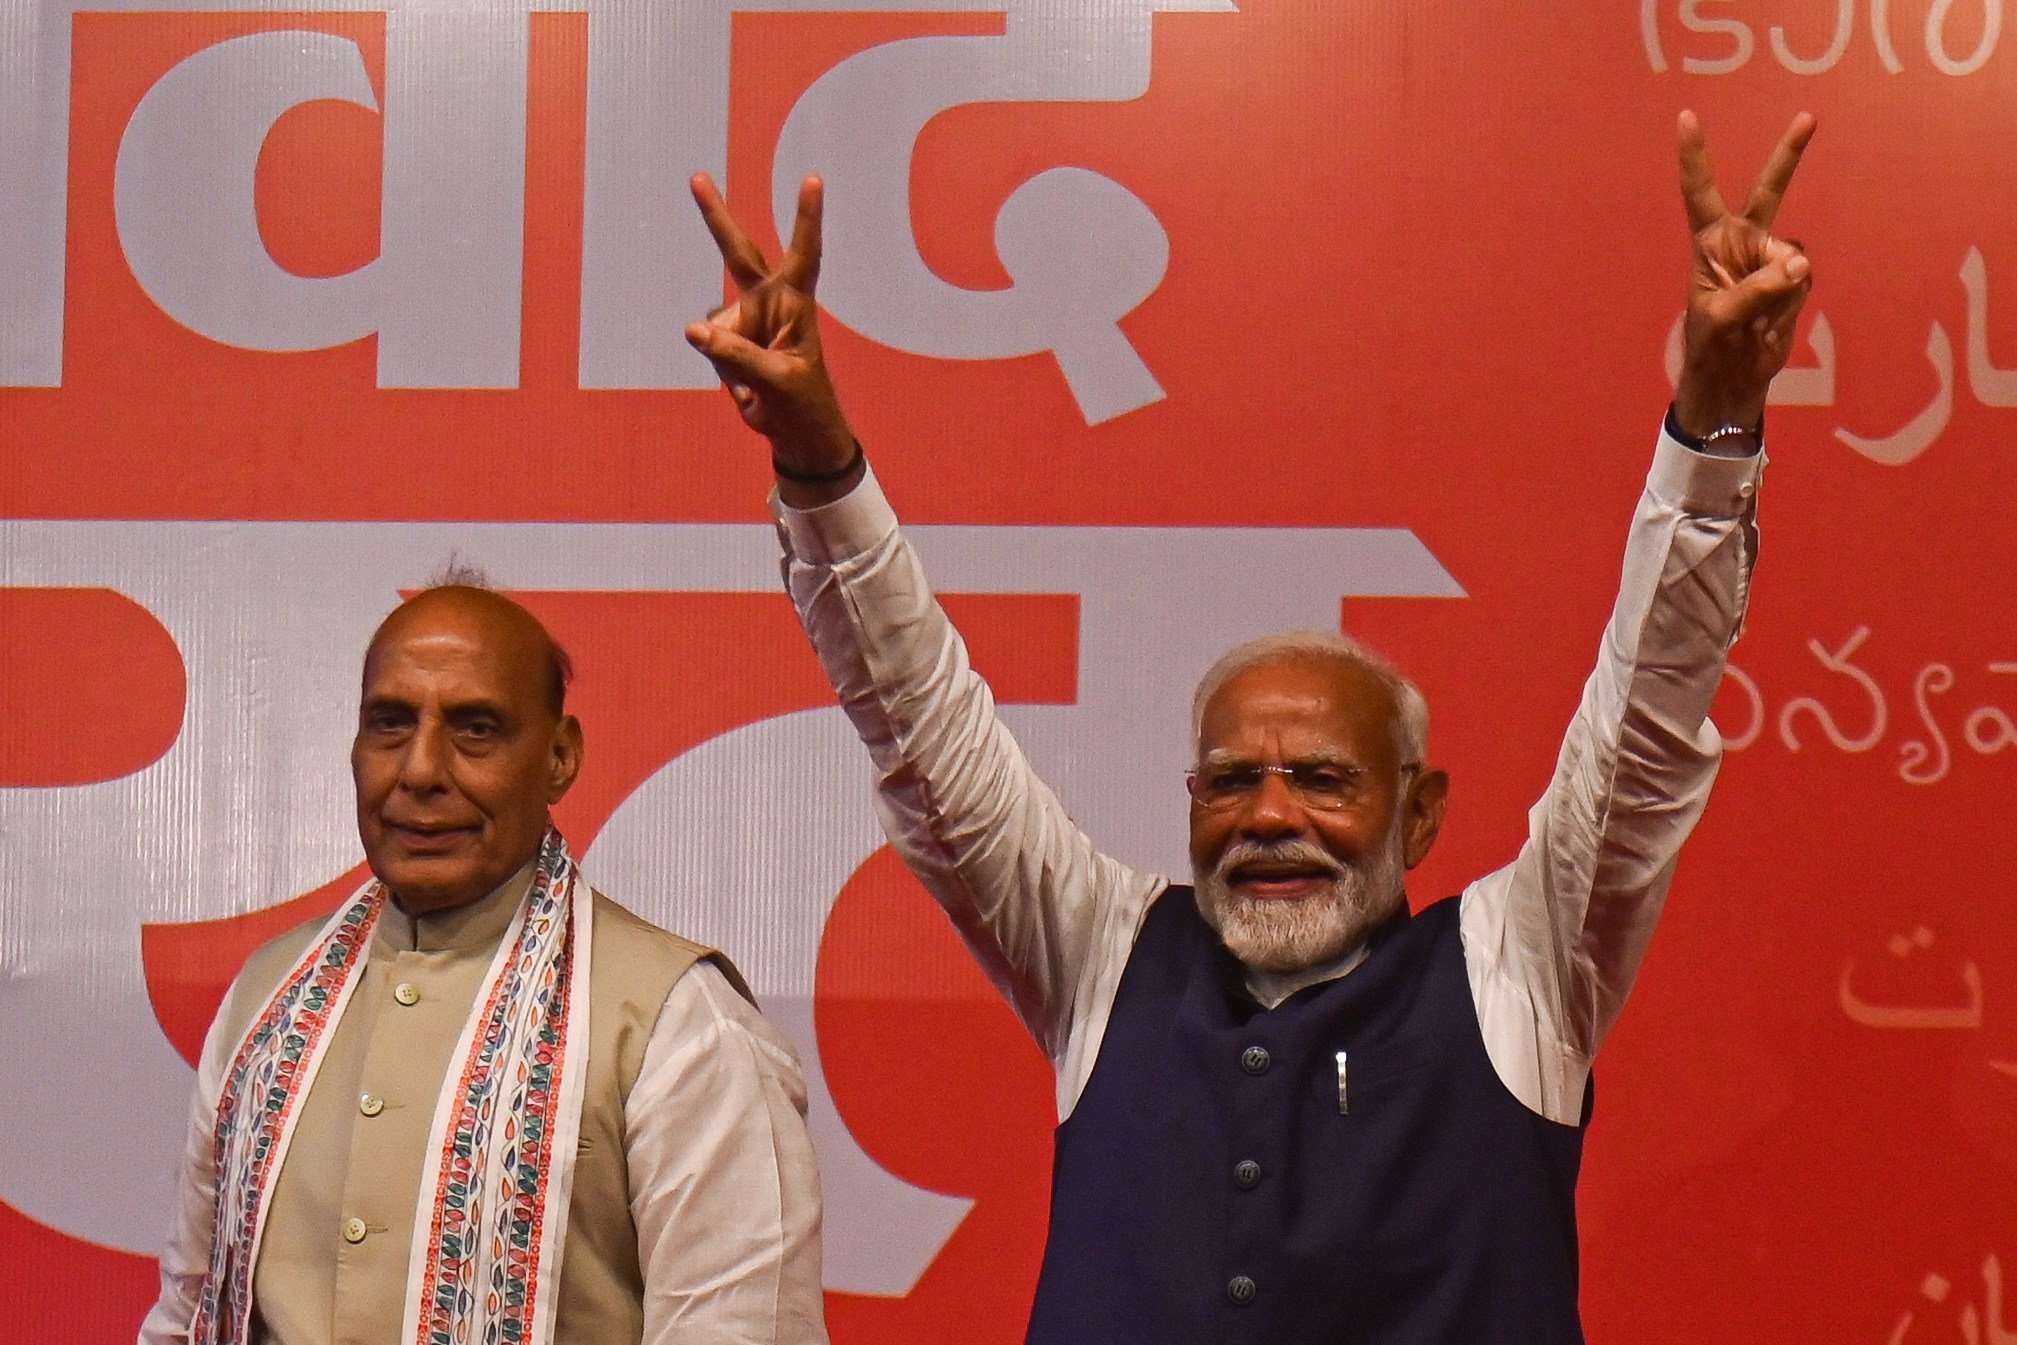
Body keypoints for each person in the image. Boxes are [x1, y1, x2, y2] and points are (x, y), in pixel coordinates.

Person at [686, 110, 1813, 1342]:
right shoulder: (1101, 959)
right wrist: (814, 457)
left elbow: (1644, 720)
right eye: (1231, 783)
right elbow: (919, 724)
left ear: (1419, 807)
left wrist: (1714, 420)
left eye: (1324, 779)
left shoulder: (1524, 968)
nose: (1270, 816)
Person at [139, 582, 828, 1345]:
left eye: (475, 729)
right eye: (390, 724)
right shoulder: (269, 998)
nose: (421, 770)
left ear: (560, 756)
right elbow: (188, 1312)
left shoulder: (679, 1025)